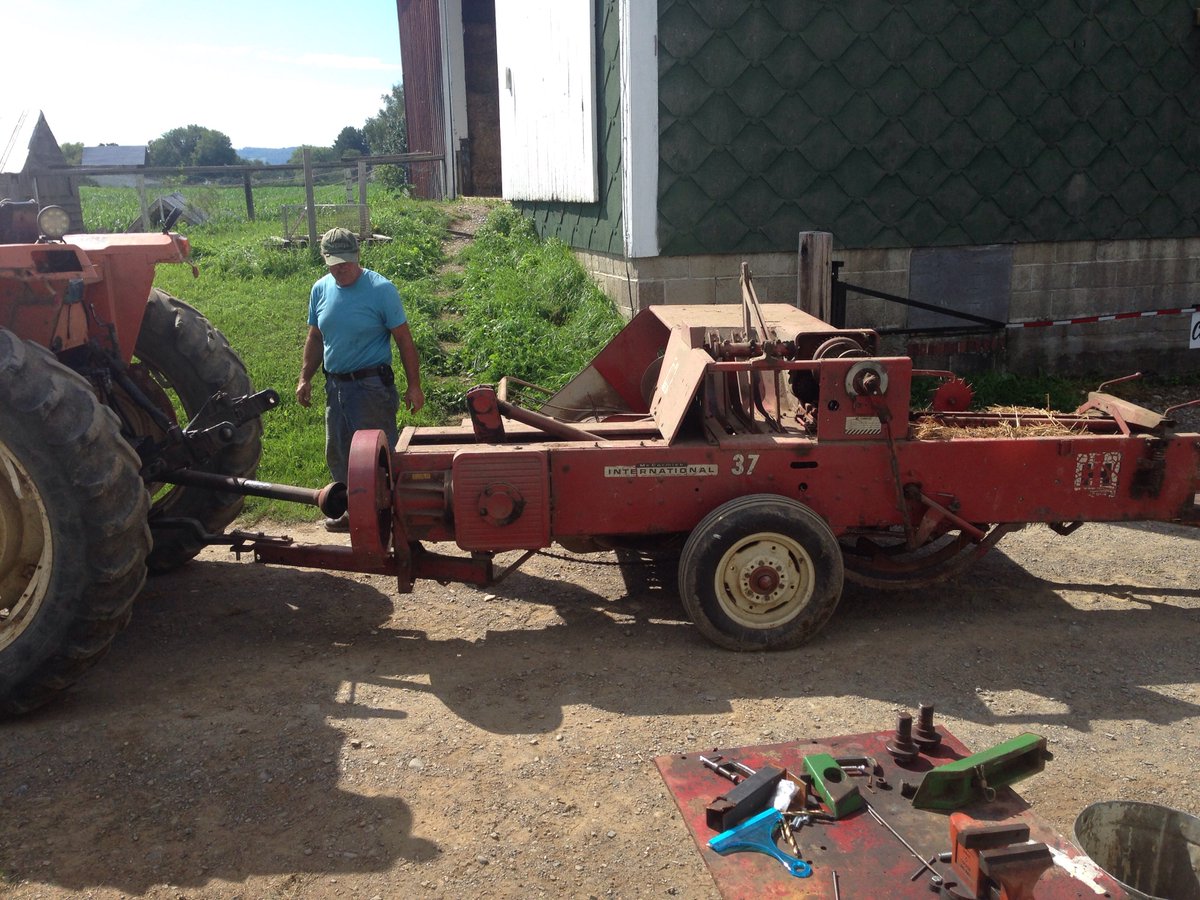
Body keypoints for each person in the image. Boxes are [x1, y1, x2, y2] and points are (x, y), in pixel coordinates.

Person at [296, 227, 424, 531]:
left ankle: (389, 514)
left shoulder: (381, 289)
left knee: (376, 456)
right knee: (338, 450)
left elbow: (404, 340)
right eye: (335, 263)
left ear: (358, 256)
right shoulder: (320, 289)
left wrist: (414, 386)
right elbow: (315, 336)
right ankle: (351, 512)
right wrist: (305, 377)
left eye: (347, 262)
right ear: (325, 260)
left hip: (371, 388)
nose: (342, 269)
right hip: (335, 386)